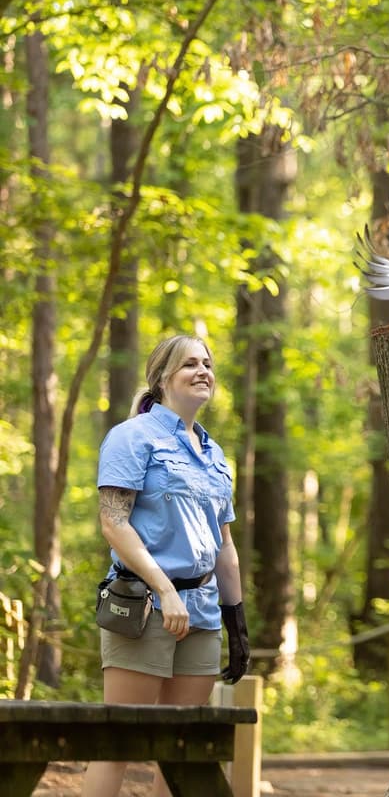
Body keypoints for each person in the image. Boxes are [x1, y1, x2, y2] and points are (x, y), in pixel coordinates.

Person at [82, 335, 250, 797]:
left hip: (202, 612)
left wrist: (236, 621)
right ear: (162, 378)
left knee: (184, 751)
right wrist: (164, 590)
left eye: (207, 364)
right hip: (143, 606)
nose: (202, 371)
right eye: (189, 364)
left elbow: (225, 545)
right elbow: (114, 523)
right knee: (118, 744)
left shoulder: (214, 454)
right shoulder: (131, 437)